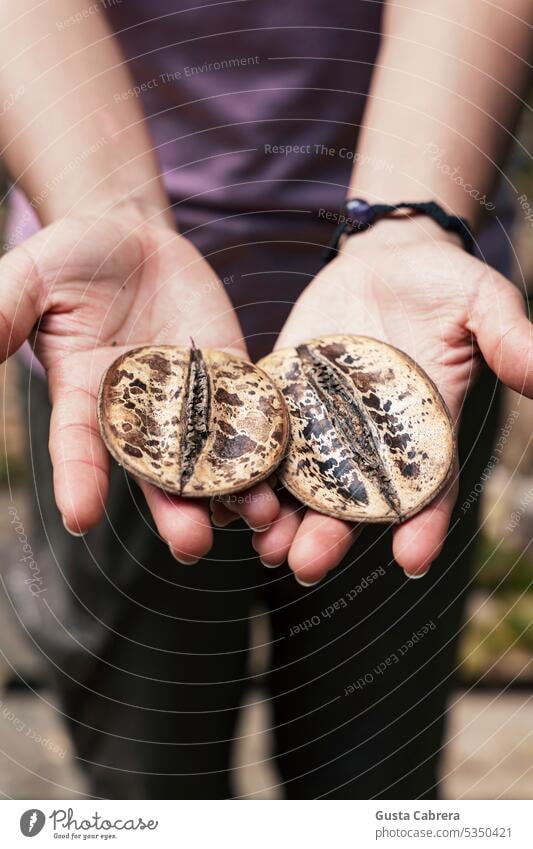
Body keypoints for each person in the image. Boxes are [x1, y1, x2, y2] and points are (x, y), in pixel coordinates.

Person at [0, 0, 531, 799]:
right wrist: (106, 206)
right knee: (147, 779)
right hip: (104, 328)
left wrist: (405, 221)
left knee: (373, 785)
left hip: (423, 337)